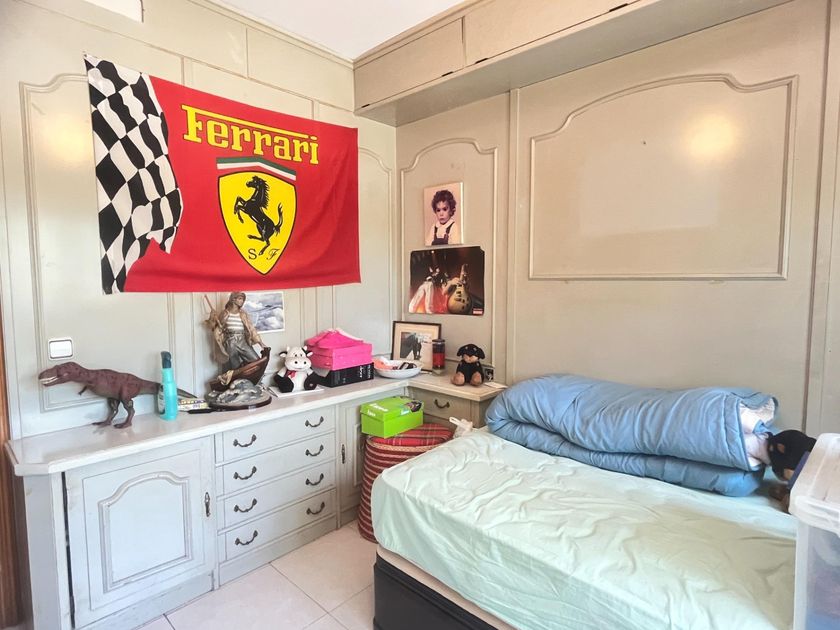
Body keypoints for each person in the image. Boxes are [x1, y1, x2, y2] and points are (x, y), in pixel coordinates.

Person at [208, 292, 265, 370]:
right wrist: (212, 317)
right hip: (230, 341)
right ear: (233, 299)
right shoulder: (225, 313)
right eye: (240, 299)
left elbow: (251, 328)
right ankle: (236, 377)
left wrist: (260, 343)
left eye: (243, 299)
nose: (242, 301)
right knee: (234, 366)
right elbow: (215, 328)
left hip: (242, 340)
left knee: (256, 360)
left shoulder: (243, 314)